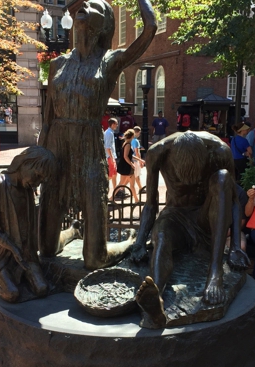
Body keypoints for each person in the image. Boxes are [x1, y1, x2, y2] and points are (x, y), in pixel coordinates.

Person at [38, 0, 157, 270]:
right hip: (57, 149)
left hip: (89, 149)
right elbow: (47, 121)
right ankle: (72, 232)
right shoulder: (58, 64)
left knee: (94, 259)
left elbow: (150, 27)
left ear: (104, 23)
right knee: (45, 248)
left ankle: (130, 243)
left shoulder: (110, 60)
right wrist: (40, 156)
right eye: (82, 5)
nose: (84, 8)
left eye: (94, 7)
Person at [130, 131, 249, 327]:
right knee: (161, 238)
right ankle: (155, 296)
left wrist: (235, 246)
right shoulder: (157, 153)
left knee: (222, 178)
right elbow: (151, 204)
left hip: (205, 218)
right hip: (175, 215)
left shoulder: (220, 151)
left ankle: (215, 273)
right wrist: (140, 242)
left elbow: (234, 201)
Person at [0, 146, 81, 302]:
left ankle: (72, 232)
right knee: (12, 294)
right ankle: (2, 278)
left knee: (42, 288)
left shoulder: (26, 190)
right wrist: (12, 247)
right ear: (26, 164)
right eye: (37, 176)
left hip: (26, 254)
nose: (36, 183)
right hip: (4, 255)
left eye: (40, 181)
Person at [117, 129, 139, 202]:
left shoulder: (125, 143)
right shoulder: (128, 144)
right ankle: (136, 200)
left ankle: (111, 197)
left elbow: (129, 156)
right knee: (132, 185)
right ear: (132, 136)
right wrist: (132, 164)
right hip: (127, 167)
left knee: (121, 183)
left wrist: (139, 160)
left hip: (124, 166)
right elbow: (126, 156)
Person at [104, 117, 118, 198]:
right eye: (116, 124)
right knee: (111, 176)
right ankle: (112, 193)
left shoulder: (108, 132)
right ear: (112, 124)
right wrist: (112, 158)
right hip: (110, 157)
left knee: (113, 175)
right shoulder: (109, 133)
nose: (117, 125)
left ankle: (114, 193)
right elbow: (107, 147)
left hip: (109, 156)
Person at [131, 126, 145, 193]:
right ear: (138, 132)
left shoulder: (131, 139)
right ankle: (140, 188)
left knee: (134, 175)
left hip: (132, 159)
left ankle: (140, 188)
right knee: (137, 175)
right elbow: (137, 152)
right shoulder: (136, 141)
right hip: (135, 160)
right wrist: (140, 161)